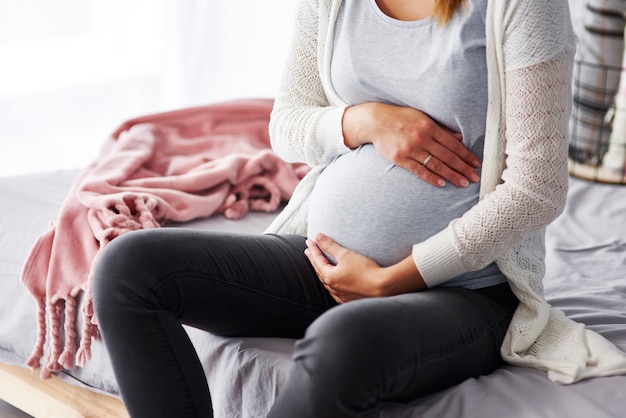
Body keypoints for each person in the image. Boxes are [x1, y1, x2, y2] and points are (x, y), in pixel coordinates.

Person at [93, 0, 614, 417]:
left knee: (341, 343)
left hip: (464, 291)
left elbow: (537, 188)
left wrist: (396, 280)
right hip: (321, 262)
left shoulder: (523, 6)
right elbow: (287, 124)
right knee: (128, 268)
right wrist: (364, 121)